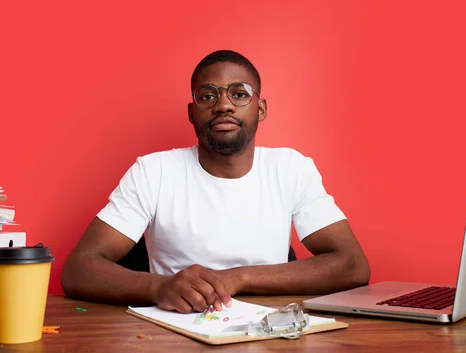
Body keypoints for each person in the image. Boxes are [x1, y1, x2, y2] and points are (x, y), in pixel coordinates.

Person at [61, 50, 370, 313]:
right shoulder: (153, 171)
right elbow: (78, 269)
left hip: (267, 332)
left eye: (239, 93)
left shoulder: (290, 168)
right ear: (192, 113)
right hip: (175, 329)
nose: (223, 105)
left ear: (260, 109)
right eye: (207, 96)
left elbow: (353, 265)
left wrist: (237, 278)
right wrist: (160, 287)